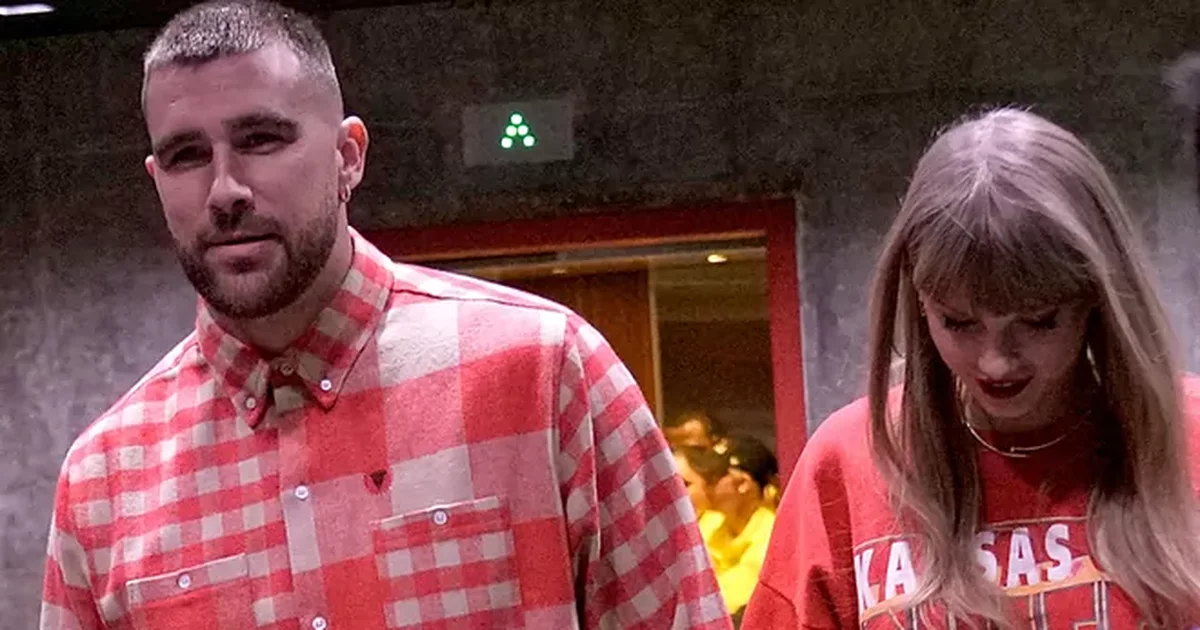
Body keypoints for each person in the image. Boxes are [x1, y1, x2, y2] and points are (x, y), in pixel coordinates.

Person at [38, 2, 731, 628]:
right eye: (186, 155)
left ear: (349, 157)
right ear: (157, 181)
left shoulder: (545, 374)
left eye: (262, 139)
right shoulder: (106, 480)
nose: (224, 190)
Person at [742, 108, 1200, 629]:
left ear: (1095, 296)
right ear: (919, 300)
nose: (996, 360)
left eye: (1038, 320)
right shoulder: (846, 462)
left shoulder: (1191, 434)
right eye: (959, 322)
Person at [704, 435, 777, 620]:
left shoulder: (772, 539)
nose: (705, 484)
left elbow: (723, 605)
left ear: (742, 484)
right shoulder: (709, 524)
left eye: (713, 477)